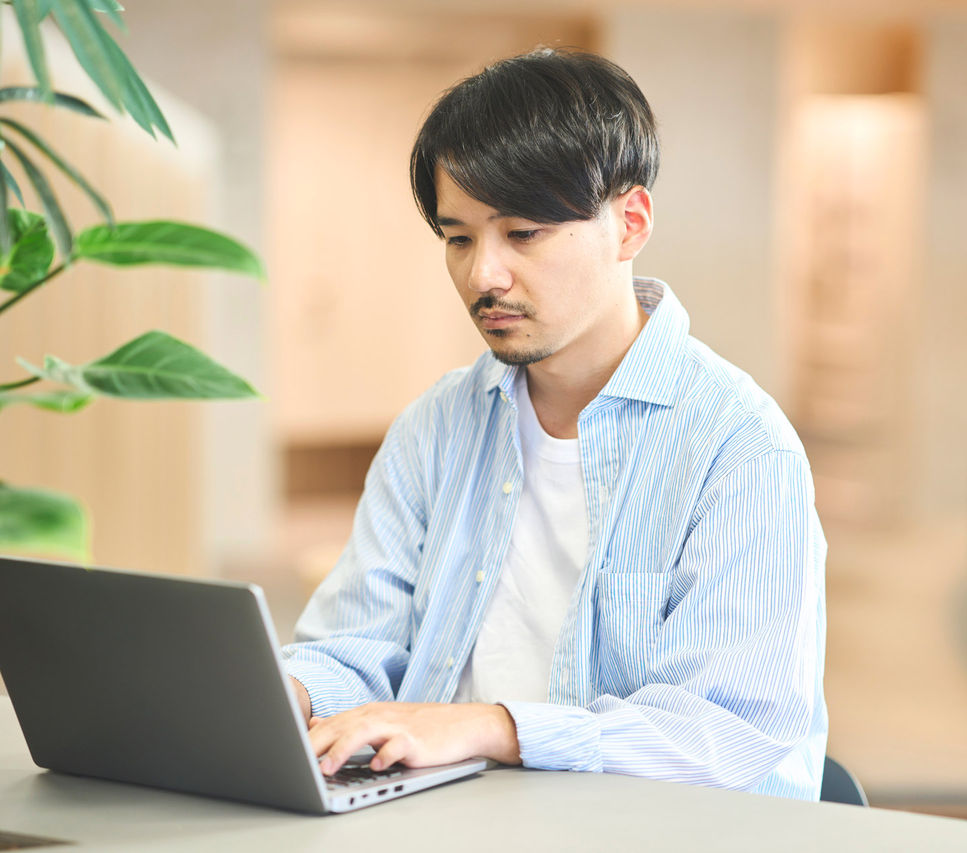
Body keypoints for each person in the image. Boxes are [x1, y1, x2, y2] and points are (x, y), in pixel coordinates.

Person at [281, 47, 828, 800]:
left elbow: (723, 731)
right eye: (459, 237)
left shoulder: (740, 448)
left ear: (629, 223)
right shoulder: (435, 427)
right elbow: (354, 647)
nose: (485, 275)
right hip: (439, 816)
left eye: (524, 233)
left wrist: (492, 726)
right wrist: (288, 694)